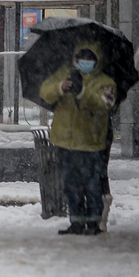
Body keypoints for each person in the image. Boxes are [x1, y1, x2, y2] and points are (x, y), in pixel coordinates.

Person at [40, 44, 119, 236]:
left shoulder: (105, 82)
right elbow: (45, 93)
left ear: (97, 61)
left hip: (91, 142)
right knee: (71, 184)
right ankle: (76, 221)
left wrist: (83, 92)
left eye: (90, 58)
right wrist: (61, 87)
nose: (85, 62)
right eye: (82, 58)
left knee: (92, 184)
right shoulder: (64, 74)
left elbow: (105, 104)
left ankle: (93, 222)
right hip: (65, 142)